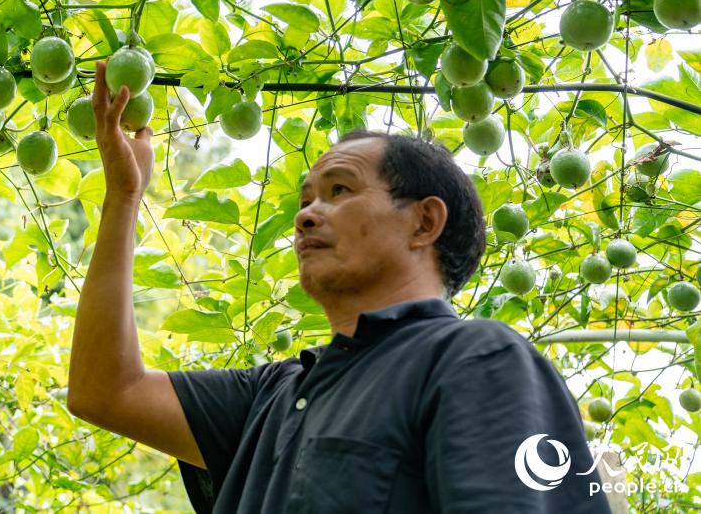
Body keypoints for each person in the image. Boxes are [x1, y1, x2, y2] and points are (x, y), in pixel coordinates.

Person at [67, 61, 612, 513]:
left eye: (339, 190)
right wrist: (124, 197)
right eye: (305, 201)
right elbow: (104, 390)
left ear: (424, 223)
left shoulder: (476, 360)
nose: (306, 217)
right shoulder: (273, 394)